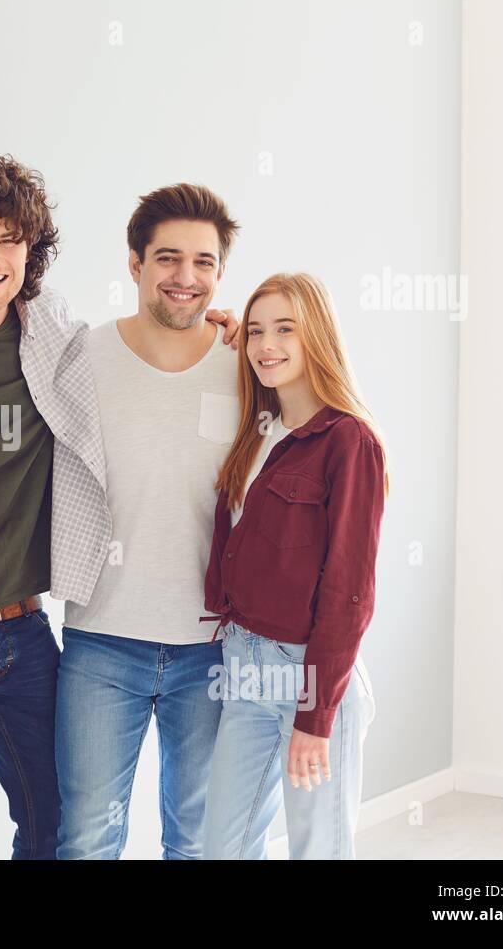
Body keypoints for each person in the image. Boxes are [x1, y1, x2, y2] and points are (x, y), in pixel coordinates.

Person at [0, 155, 239, 858]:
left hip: (25, 633)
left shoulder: (53, 338)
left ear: (31, 251)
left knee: (57, 828)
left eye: (9, 241)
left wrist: (238, 331)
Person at [57, 183, 241, 859]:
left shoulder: (247, 363)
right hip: (102, 641)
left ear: (220, 273)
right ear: (135, 264)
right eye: (168, 258)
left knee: (195, 840)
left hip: (213, 646)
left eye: (203, 262)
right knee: (86, 839)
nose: (185, 278)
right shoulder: (82, 361)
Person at [201, 271, 386, 860]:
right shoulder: (254, 432)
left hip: (308, 673)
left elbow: (350, 590)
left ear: (318, 338)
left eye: (285, 329)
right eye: (256, 331)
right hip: (243, 667)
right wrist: (227, 330)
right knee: (222, 846)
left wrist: (317, 715)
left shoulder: (349, 440)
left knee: (318, 849)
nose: (265, 345)